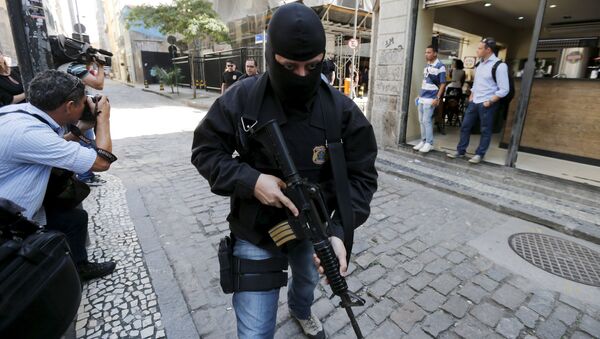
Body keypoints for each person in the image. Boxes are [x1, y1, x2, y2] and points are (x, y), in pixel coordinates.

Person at [191, 3, 378, 338]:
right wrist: (251, 180)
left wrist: (338, 231)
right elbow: (205, 151)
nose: (302, 76)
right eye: (289, 66)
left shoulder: (341, 111)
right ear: (270, 56)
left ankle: (300, 310)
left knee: (305, 285)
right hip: (256, 231)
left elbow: (362, 177)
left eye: (312, 66)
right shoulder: (241, 100)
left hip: (312, 228)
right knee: (255, 331)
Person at [0, 70, 116, 281]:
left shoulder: (21, 115)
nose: (86, 105)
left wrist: (80, 129)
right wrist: (103, 118)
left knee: (74, 219)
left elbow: (49, 146)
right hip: (6, 228)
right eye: (82, 102)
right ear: (70, 106)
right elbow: (101, 162)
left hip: (13, 209)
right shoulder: (28, 133)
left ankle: (79, 267)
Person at [447, 37, 509, 164]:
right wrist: (472, 95)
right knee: (465, 127)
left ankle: (479, 154)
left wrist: (490, 101)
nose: (477, 50)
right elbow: (477, 83)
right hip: (474, 101)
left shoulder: (500, 66)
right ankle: (460, 151)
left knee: (485, 130)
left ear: (488, 50)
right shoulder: (480, 64)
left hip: (487, 103)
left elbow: (504, 89)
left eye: (480, 48)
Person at [58, 59, 107, 184]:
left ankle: (86, 175)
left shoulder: (64, 67)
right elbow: (99, 84)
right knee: (85, 143)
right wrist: (103, 119)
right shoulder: (74, 67)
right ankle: (85, 176)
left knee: (82, 140)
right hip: (75, 112)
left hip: (71, 112)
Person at [413, 45, 446, 153]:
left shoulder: (440, 66)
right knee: (421, 121)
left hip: (431, 98)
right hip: (422, 98)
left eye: (429, 52)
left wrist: (437, 98)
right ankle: (423, 141)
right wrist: (419, 95)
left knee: (427, 121)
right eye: (425, 52)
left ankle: (429, 143)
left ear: (435, 53)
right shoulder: (427, 65)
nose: (426, 54)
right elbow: (426, 82)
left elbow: (442, 84)